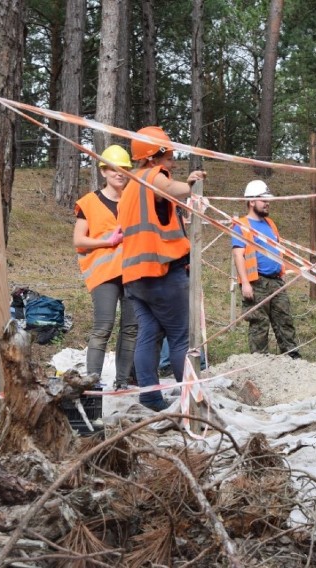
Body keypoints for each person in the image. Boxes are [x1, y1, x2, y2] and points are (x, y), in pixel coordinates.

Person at [119, 126, 206, 411]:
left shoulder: (130, 186)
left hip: (135, 277)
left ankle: (150, 397)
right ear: (154, 157)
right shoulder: (152, 177)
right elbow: (168, 188)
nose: (172, 162)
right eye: (168, 157)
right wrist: (192, 185)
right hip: (162, 272)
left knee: (148, 333)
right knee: (180, 337)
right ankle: (191, 401)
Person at [73, 144, 138, 391]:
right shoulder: (89, 202)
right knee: (104, 326)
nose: (120, 173)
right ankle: (92, 384)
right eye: (114, 169)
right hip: (104, 275)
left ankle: (122, 383)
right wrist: (107, 241)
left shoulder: (133, 201)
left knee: (131, 329)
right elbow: (79, 239)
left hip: (133, 272)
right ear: (103, 171)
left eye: (124, 169)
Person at [231, 180, 300, 358]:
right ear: (251, 201)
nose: (267, 203)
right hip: (256, 282)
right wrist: (245, 283)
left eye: (268, 199)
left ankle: (292, 358)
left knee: (285, 320)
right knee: (259, 324)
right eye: (263, 199)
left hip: (276, 280)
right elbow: (238, 255)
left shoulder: (270, 224)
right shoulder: (241, 225)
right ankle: (259, 361)